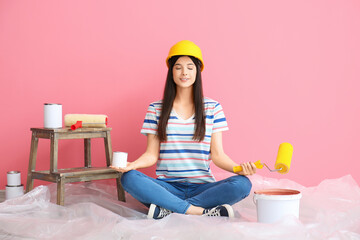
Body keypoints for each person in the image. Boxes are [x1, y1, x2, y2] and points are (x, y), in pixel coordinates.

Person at [112, 40, 257, 219]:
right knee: (129, 178)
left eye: (190, 67)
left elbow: (218, 156)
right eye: (178, 67)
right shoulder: (156, 109)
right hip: (167, 186)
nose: (184, 72)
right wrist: (131, 165)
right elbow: (151, 155)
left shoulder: (213, 108)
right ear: (171, 71)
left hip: (203, 187)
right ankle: (199, 212)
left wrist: (239, 168)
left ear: (197, 71)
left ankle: (169, 209)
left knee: (242, 184)